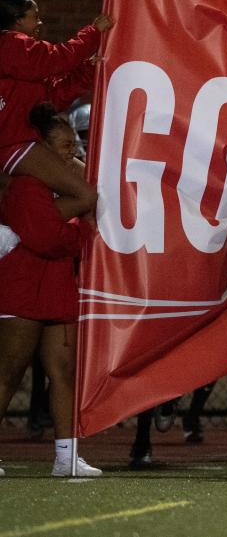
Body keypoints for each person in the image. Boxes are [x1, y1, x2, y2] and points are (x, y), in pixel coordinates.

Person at [0, 104, 99, 476]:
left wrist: (66, 222)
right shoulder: (25, 185)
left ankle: (66, 457)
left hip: (56, 281)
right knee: (9, 372)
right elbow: (45, 238)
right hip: (23, 284)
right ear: (40, 149)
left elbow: (49, 231)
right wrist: (81, 231)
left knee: (64, 371)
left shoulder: (64, 187)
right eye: (63, 145)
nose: (72, 152)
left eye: (74, 144)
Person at [0, 0, 112, 219]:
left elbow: (55, 97)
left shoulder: (24, 62)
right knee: (86, 196)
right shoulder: (10, 44)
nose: (40, 23)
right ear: (18, 20)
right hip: (12, 144)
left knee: (94, 188)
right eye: (36, 17)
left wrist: (88, 70)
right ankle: (23, 229)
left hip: (26, 140)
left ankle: (87, 250)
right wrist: (93, 33)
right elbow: (56, 59)